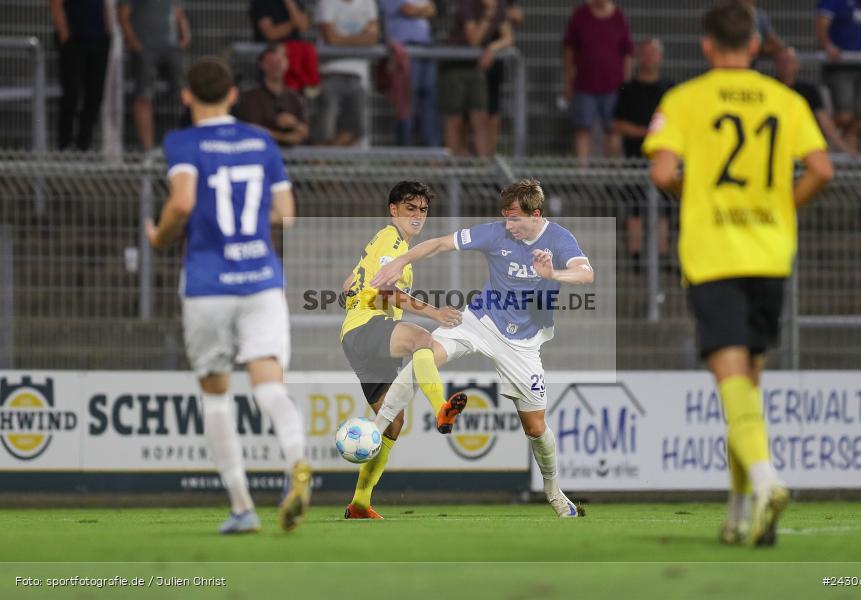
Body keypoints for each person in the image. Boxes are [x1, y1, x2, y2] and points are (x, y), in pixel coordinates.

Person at [644, 1, 833, 546]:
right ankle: (739, 510)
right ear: (754, 45)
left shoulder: (684, 100)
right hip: (771, 253)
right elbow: (822, 168)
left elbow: (661, 169)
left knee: (731, 383)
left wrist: (694, 194)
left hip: (714, 254)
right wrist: (780, 208)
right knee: (748, 384)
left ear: (706, 45)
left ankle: (767, 479)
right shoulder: (787, 99)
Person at [144, 56, 311, 534]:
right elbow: (287, 215)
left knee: (216, 395)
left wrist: (159, 237)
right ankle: (297, 460)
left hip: (207, 283)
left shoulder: (182, 141)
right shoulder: (261, 141)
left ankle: (242, 507)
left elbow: (182, 200)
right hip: (260, 278)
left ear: (186, 96)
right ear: (234, 95)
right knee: (269, 385)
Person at [370, 179, 593, 518]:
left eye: (515, 218)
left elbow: (585, 274)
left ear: (536, 214)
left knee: (535, 427)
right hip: (479, 320)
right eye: (505, 216)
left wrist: (554, 274)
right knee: (425, 351)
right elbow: (440, 245)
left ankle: (554, 492)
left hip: (523, 343)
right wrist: (400, 262)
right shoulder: (495, 232)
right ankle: (374, 430)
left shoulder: (558, 239)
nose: (509, 224)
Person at [340, 181, 466, 519]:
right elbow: (387, 292)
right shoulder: (391, 240)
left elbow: (347, 284)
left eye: (423, 210)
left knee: (393, 421)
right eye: (410, 209)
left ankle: (360, 503)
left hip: (358, 338)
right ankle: (441, 407)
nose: (417, 216)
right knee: (422, 339)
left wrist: (353, 290)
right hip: (366, 327)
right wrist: (435, 312)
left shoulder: (391, 248)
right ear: (393, 210)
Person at [612, 39, 673, 271]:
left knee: (665, 208)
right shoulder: (628, 88)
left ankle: (662, 254)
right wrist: (645, 133)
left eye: (653, 53)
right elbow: (617, 124)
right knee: (635, 206)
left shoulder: (669, 89)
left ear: (660, 58)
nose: (649, 58)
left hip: (662, 158)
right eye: (645, 53)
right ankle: (636, 255)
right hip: (634, 158)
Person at [441, 0, 514, 157]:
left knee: (480, 117)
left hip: (477, 66)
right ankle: (453, 171)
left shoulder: (499, 5)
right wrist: (487, 17)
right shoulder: (467, 4)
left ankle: (482, 170)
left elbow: (508, 37)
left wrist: (492, 48)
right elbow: (473, 39)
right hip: (455, 66)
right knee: (455, 119)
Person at [563, 0, 634, 161]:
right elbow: (569, 50)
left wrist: (627, 84)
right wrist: (568, 81)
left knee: (613, 130)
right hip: (584, 85)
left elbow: (627, 53)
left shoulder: (618, 17)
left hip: (613, 86)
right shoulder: (580, 15)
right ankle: (583, 176)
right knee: (582, 129)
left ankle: (613, 177)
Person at [117, 0, 191, 150]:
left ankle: (188, 143)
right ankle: (148, 149)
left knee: (186, 94)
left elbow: (178, 12)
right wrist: (135, 44)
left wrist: (185, 35)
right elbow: (123, 15)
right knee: (144, 95)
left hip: (171, 48)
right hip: (145, 49)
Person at [816, 0, 861, 153]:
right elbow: (822, 24)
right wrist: (827, 46)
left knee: (859, 113)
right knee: (844, 115)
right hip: (841, 65)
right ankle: (814, 135)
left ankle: (846, 153)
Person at [315, 0, 380, 146]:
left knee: (357, 130)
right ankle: (320, 162)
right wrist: (360, 38)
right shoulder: (326, 2)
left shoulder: (368, 3)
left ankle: (324, 160)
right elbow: (331, 39)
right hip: (330, 71)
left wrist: (342, 39)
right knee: (325, 129)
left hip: (358, 74)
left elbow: (373, 38)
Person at [50, 0, 110, 151]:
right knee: (71, 94)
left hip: (98, 40)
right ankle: (64, 144)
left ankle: (84, 145)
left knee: (95, 94)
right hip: (75, 41)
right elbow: (55, 5)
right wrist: (65, 37)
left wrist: (107, 33)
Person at [379, 0, 441, 147]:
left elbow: (433, 10)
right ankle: (405, 153)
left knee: (429, 98)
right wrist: (422, 11)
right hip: (404, 50)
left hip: (426, 47)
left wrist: (418, 11)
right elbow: (407, 10)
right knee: (405, 101)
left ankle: (432, 152)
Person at [775, 46, 855, 155]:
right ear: (776, 65)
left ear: (797, 65)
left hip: (802, 144)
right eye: (782, 61)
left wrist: (843, 148)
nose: (785, 66)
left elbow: (824, 120)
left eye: (789, 61)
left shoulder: (809, 91)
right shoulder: (769, 88)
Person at [237, 44, 310, 147]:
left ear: (287, 63)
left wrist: (293, 123)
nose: (276, 66)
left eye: (279, 61)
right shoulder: (250, 97)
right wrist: (286, 138)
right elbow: (250, 129)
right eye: (271, 62)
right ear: (262, 65)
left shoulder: (295, 97)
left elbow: (306, 130)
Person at [484, 0, 523, 155]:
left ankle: (489, 157)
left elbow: (517, 16)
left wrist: (493, 48)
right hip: (470, 61)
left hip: (492, 63)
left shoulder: (502, 5)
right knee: (471, 114)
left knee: (492, 110)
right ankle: (468, 162)